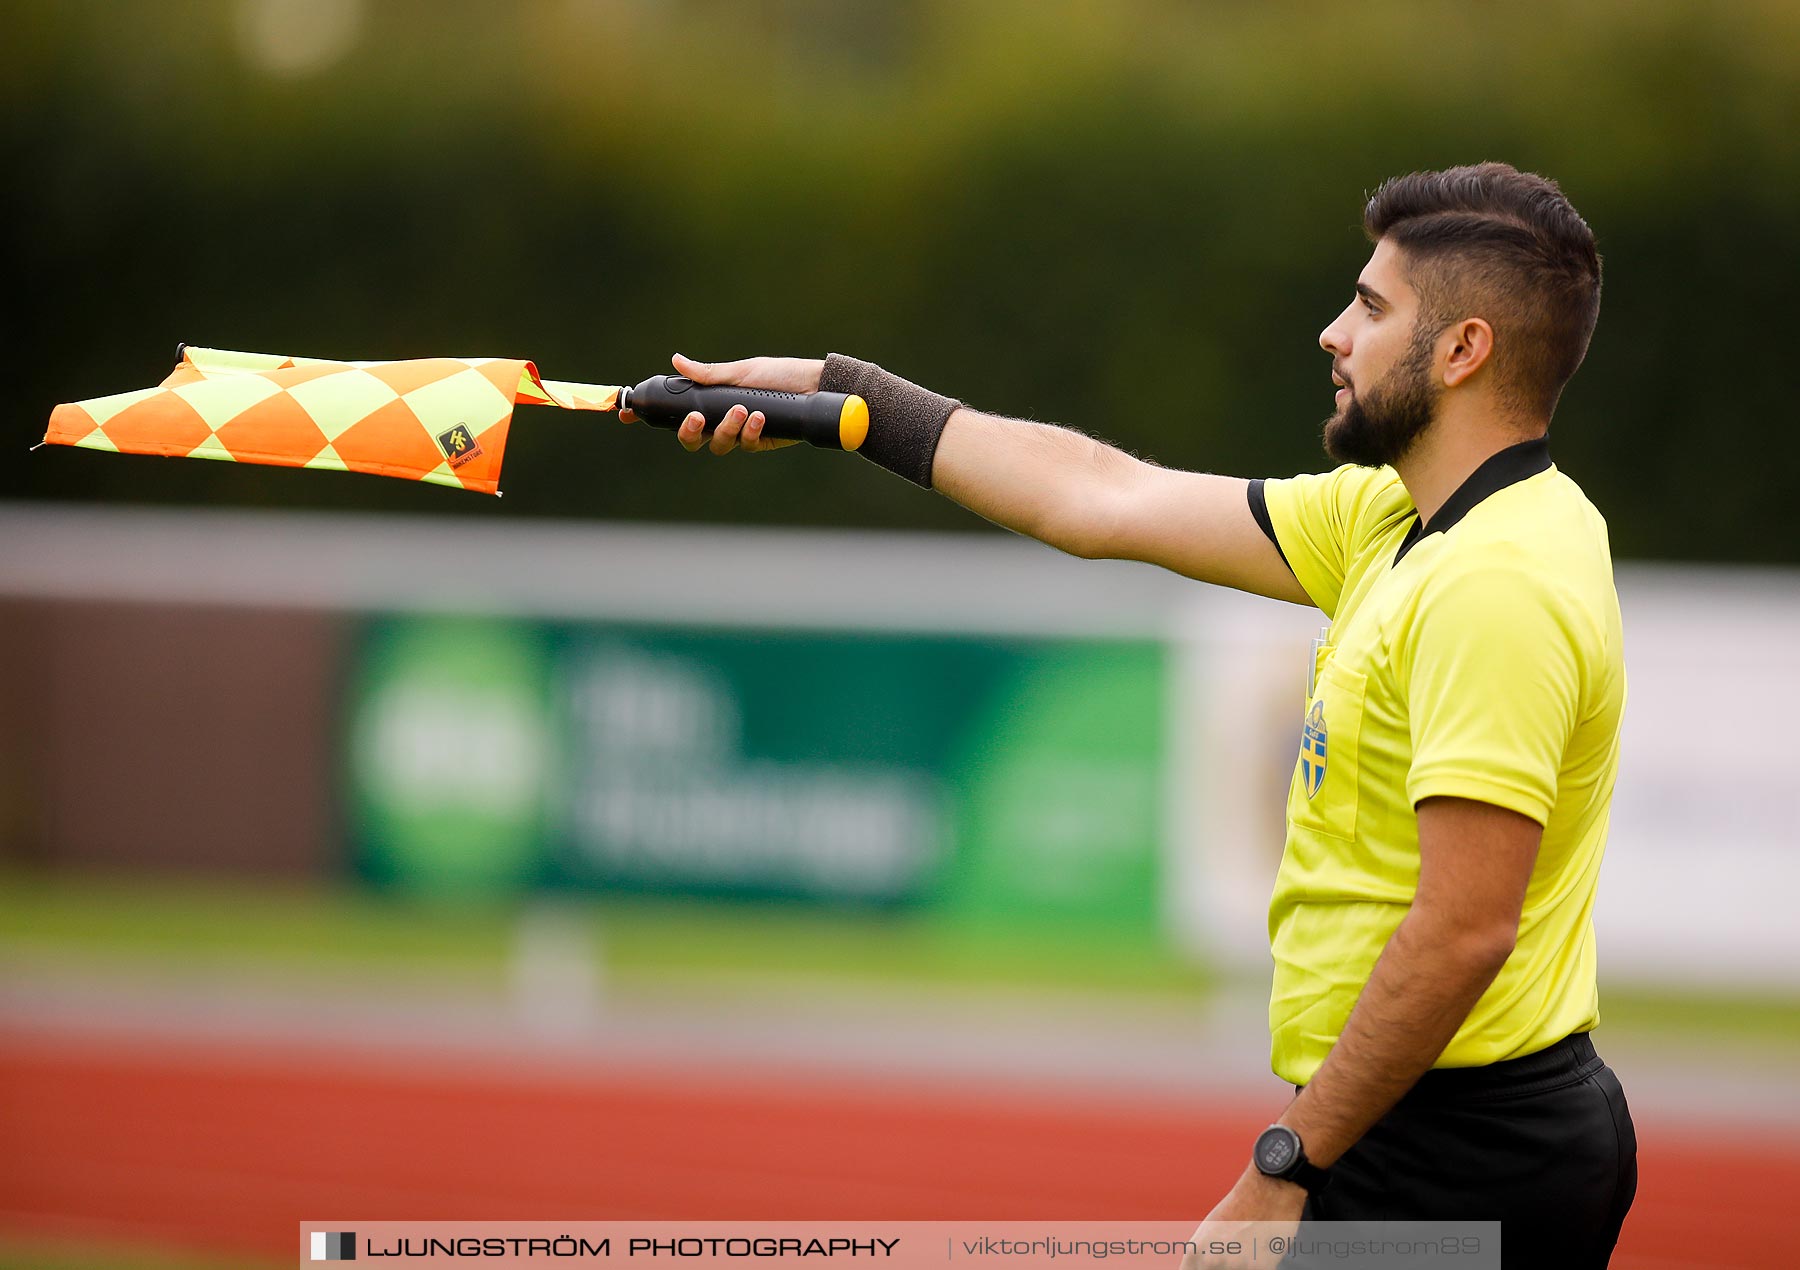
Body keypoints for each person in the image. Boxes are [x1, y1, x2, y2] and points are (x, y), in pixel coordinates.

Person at [626, 162, 1637, 1267]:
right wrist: (847, 402)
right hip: (1429, 1131)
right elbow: (1100, 495)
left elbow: (1463, 930)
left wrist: (1285, 1166)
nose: (1333, 333)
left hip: (1461, 1152)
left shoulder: (1498, 578)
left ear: (1463, 350)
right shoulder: (1394, 515)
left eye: (1372, 307)